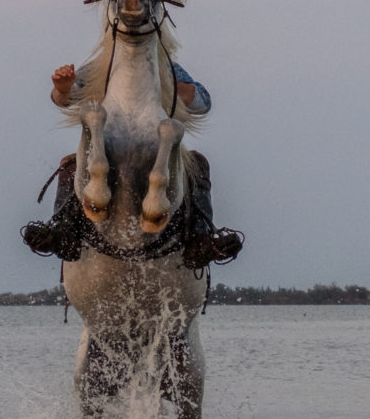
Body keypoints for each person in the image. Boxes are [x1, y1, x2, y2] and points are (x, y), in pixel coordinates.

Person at [21, 61, 242, 268]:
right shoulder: (101, 66)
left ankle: (200, 237)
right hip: (110, 141)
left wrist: (166, 85)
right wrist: (63, 88)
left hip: (158, 145)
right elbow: (63, 98)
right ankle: (63, 231)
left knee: (198, 163)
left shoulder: (166, 66)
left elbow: (204, 102)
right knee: (70, 164)